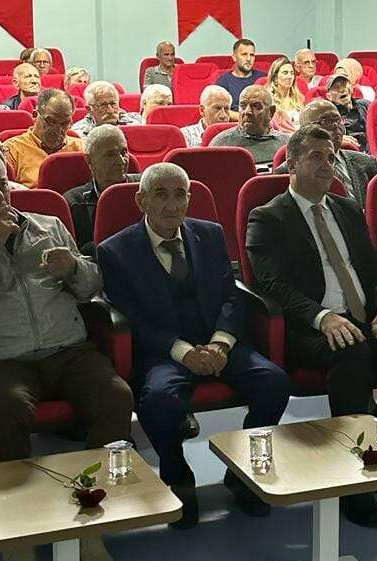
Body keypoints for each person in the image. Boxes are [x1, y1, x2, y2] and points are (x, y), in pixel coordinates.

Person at [0, 149, 133, 561]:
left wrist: (74, 268)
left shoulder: (47, 225)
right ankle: (18, 531)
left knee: (116, 397)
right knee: (7, 408)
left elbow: (92, 286)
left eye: (2, 184)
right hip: (4, 358)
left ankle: (89, 515)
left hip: (67, 349)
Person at [246, 124, 377, 528]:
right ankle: (353, 486)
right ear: (291, 163)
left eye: (331, 157)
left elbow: (374, 271)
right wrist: (322, 316)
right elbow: (272, 284)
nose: (327, 165)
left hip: (364, 318)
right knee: (353, 355)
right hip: (309, 327)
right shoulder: (268, 216)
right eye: (316, 156)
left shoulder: (347, 209)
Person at [98, 162, 290, 529]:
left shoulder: (209, 234)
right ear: (141, 200)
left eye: (180, 195)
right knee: (159, 400)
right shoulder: (116, 251)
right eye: (161, 195)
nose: (172, 205)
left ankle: (243, 472)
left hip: (217, 342)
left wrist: (221, 343)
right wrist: (183, 352)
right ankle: (178, 477)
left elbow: (232, 295)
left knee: (274, 381)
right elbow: (131, 319)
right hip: (164, 351)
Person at [64, 125, 139, 256]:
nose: (121, 161)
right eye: (110, 155)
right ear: (89, 160)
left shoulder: (145, 188)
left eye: (124, 152)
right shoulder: (73, 202)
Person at [4, 88, 82, 188]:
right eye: (51, 122)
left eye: (65, 123)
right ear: (35, 115)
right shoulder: (12, 150)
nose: (58, 130)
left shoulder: (81, 149)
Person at [210, 86, 288, 168]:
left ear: (271, 112)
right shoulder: (221, 144)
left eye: (256, 106)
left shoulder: (286, 144)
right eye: (243, 106)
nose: (247, 111)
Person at [214, 38, 266, 115]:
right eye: (244, 54)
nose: (248, 59)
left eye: (252, 55)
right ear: (234, 57)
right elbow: (218, 109)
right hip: (234, 121)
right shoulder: (223, 81)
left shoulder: (264, 78)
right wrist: (244, 117)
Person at [72, 81, 141, 135]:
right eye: (103, 105)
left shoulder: (138, 122)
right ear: (89, 109)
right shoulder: (79, 133)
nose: (110, 111)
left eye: (113, 104)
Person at [325, 74, 369, 151]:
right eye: (336, 88)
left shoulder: (365, 104)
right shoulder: (328, 114)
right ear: (329, 96)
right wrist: (336, 139)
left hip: (370, 148)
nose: (342, 90)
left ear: (351, 89)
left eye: (344, 85)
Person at [265, 57, 304, 134]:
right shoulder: (267, 101)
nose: (290, 77)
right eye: (285, 73)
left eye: (292, 73)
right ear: (275, 78)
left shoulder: (299, 99)